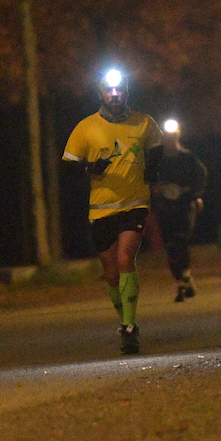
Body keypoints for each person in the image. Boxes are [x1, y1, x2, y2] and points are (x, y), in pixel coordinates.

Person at [62, 68, 164, 354]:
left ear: (127, 91)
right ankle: (124, 318)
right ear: (100, 94)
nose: (115, 95)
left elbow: (156, 147)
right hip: (101, 208)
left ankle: (130, 328)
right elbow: (68, 166)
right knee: (110, 273)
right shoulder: (86, 128)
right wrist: (88, 169)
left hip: (135, 204)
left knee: (124, 258)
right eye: (109, 90)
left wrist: (153, 170)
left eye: (120, 90)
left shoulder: (144, 123)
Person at [150, 119, 209, 302]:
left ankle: (184, 278)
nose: (170, 141)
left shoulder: (188, 157)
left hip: (185, 206)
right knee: (169, 246)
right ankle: (183, 279)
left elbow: (201, 176)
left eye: (173, 137)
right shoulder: (158, 159)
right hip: (165, 207)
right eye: (167, 138)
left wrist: (196, 195)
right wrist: (156, 189)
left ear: (178, 137)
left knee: (181, 241)